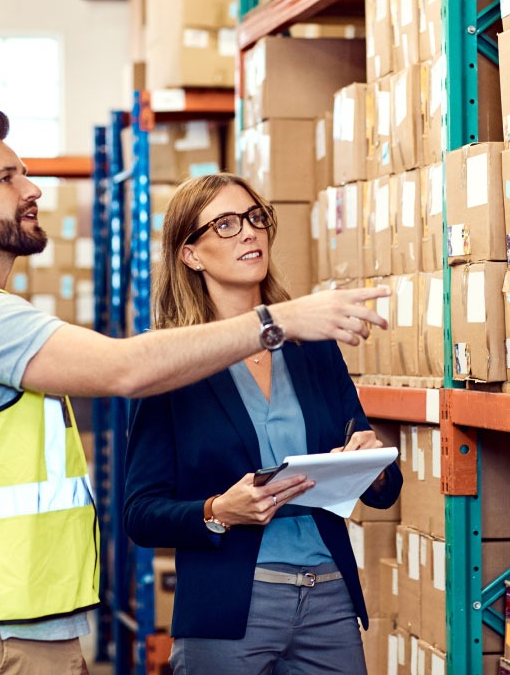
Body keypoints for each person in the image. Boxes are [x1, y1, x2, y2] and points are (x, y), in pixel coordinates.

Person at [0, 110, 391, 675]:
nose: (32, 189)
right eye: (7, 178)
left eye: (255, 218)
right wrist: (277, 321)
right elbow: (127, 370)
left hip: (18, 620)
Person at [123, 173, 403, 675]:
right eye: (226, 225)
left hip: (329, 599)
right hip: (231, 607)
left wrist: (371, 464)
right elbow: (140, 513)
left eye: (256, 219)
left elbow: (384, 490)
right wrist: (218, 510)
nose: (249, 233)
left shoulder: (312, 345)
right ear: (190, 253)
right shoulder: (171, 364)